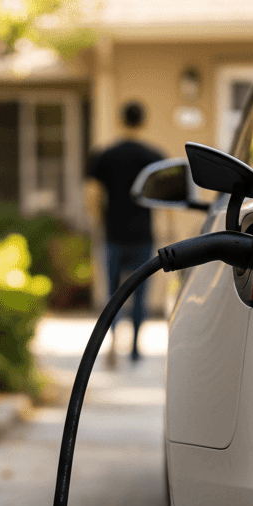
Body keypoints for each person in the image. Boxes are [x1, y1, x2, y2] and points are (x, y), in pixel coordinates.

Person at [86, 102, 164, 363]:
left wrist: (98, 223)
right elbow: (166, 198)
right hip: (143, 235)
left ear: (122, 120)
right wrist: (169, 228)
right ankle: (134, 349)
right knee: (140, 294)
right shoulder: (153, 156)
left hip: (113, 235)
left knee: (113, 294)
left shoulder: (106, 156)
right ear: (143, 121)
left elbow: (93, 194)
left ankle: (113, 343)